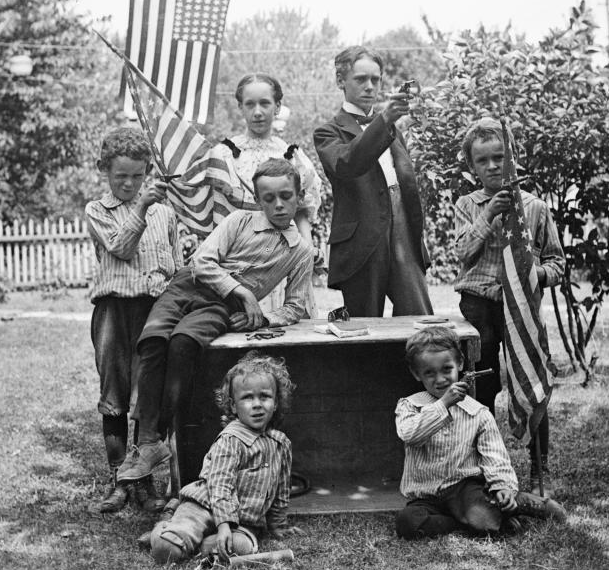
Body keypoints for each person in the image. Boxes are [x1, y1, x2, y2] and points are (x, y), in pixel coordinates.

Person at [115, 157, 314, 488]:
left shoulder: (300, 251)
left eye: (286, 196)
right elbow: (203, 261)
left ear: (299, 195)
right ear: (257, 198)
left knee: (183, 344)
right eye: (268, 198)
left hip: (221, 305)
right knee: (152, 339)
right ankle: (148, 441)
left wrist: (261, 316)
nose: (278, 205)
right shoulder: (238, 221)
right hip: (187, 284)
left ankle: (159, 434)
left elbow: (295, 306)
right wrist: (244, 292)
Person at [453, 117, 565, 493]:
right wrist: (488, 215)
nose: (492, 167)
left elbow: (558, 265)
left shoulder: (534, 208)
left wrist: (536, 274)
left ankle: (539, 469)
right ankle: (483, 466)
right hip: (479, 306)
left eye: (499, 157)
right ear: (472, 166)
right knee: (481, 388)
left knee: (531, 382)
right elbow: (463, 254)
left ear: (512, 158)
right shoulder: (468, 205)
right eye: (482, 161)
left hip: (522, 309)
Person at [84, 126, 184, 513]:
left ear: (148, 172)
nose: (129, 183)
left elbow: (173, 266)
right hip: (113, 312)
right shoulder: (98, 210)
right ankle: (118, 483)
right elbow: (122, 249)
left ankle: (141, 483)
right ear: (104, 171)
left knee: (147, 397)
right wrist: (141, 207)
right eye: (120, 175)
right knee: (115, 396)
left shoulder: (165, 213)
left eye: (137, 175)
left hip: (153, 313)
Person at [394, 326, 566, 540]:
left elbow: (494, 456)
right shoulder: (410, 406)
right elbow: (411, 434)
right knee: (407, 523)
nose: (440, 380)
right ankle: (477, 522)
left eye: (446, 369)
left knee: (481, 516)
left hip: (463, 489)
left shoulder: (478, 413)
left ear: (460, 364)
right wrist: (443, 404)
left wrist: (502, 486)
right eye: (429, 373)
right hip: (426, 495)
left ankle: (519, 502)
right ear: (416, 373)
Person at [146, 352, 300, 564]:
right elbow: (220, 486)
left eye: (264, 396)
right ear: (234, 406)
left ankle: (196, 543)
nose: (257, 404)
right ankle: (165, 530)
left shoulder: (281, 444)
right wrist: (223, 525)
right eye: (247, 398)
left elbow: (281, 490)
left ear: (276, 403)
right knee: (167, 550)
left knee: (241, 547)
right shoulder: (231, 439)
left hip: (242, 521)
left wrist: (278, 525)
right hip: (204, 507)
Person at [314, 46, 432, 317]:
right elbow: (347, 164)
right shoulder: (327, 133)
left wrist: (385, 122)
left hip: (403, 234)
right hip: (360, 245)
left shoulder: (392, 131)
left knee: (421, 322)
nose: (370, 86)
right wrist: (385, 119)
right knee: (363, 330)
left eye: (375, 79)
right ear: (340, 81)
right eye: (360, 79)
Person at [214, 73, 322, 315]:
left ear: (278, 107)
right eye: (250, 104)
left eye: (265, 103)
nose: (258, 112)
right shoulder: (225, 154)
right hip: (241, 259)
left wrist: (308, 250)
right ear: (240, 107)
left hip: (284, 256)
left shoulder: (291, 154)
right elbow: (218, 216)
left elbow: (302, 210)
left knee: (290, 326)